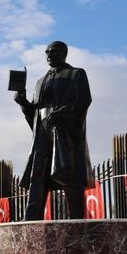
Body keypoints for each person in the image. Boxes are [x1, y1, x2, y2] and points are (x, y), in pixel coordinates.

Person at [14, 40, 93, 220]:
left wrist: (63, 113)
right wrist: (23, 102)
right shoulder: (40, 81)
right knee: (37, 177)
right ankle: (31, 220)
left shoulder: (76, 74)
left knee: (69, 176)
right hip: (42, 131)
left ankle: (77, 221)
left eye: (54, 51)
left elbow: (84, 101)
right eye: (47, 52)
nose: (49, 54)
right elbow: (34, 112)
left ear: (64, 53)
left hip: (64, 132)